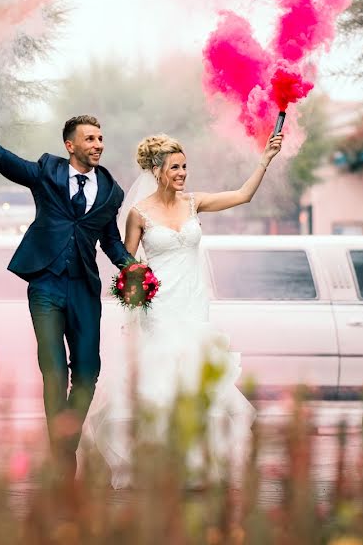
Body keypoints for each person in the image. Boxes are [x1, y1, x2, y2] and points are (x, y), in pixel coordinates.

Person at [0, 85, 133, 480]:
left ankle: (65, 438)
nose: (98, 145)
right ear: (69, 144)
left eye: (101, 138)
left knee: (88, 371)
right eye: (90, 138)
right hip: (45, 283)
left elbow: (109, 240)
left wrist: (131, 268)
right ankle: (62, 460)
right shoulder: (46, 172)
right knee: (54, 369)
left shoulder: (111, 191)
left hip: (83, 288)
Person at [87, 131, 283, 489]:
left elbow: (243, 195)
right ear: (158, 170)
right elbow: (126, 262)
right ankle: (158, 467)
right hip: (159, 309)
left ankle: (196, 466)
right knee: (161, 385)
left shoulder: (194, 203)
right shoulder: (139, 213)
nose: (182, 173)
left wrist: (265, 159)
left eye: (185, 166)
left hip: (193, 306)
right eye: (175, 167)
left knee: (195, 381)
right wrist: (134, 289)